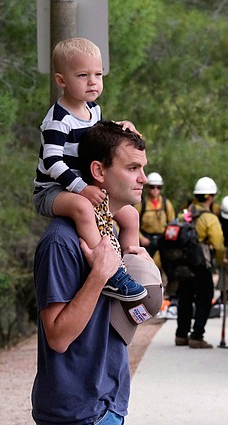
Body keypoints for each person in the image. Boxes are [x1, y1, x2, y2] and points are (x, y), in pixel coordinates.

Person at [32, 120, 151, 425]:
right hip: (78, 414)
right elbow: (57, 337)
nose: (144, 178)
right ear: (98, 171)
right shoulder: (61, 242)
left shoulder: (108, 229)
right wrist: (99, 276)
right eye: (132, 168)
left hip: (109, 404)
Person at [32, 37, 145, 302]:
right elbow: (52, 163)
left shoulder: (93, 110)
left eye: (98, 74)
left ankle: (130, 257)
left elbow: (100, 137)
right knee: (83, 209)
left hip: (79, 186)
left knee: (130, 215)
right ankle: (110, 272)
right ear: (61, 81)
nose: (93, 81)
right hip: (53, 190)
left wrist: (122, 125)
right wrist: (82, 188)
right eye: (83, 75)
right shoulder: (57, 120)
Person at [175, 177, 226, 349]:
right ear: (210, 197)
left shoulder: (184, 213)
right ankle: (197, 336)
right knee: (205, 298)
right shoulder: (209, 218)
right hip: (200, 265)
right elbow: (218, 244)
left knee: (185, 298)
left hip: (182, 264)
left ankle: (181, 335)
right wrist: (221, 260)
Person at [137, 172, 176, 259]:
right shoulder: (141, 204)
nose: (155, 190)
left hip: (162, 239)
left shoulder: (166, 203)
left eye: (158, 187)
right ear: (147, 188)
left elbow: (172, 223)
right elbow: (133, 224)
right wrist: (141, 238)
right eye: (152, 187)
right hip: (146, 240)